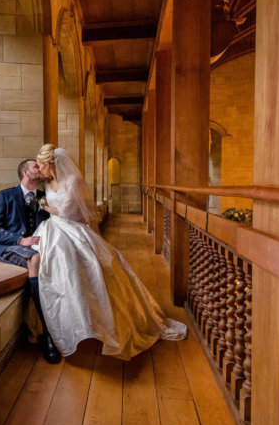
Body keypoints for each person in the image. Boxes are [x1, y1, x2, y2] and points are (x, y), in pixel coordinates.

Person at [30, 144, 187, 360]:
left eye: (40, 165)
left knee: (89, 267)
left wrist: (44, 206)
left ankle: (99, 324)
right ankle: (71, 324)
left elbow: (67, 211)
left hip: (71, 227)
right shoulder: (48, 182)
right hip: (53, 228)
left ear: (49, 164)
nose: (39, 169)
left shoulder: (73, 181)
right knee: (53, 264)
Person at [0, 158, 60, 363]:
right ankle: (48, 334)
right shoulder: (6, 195)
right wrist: (20, 239)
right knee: (36, 259)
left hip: (40, 247)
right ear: (26, 173)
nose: (40, 168)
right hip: (11, 248)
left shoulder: (45, 197)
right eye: (36, 166)